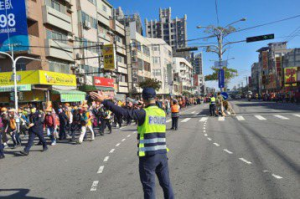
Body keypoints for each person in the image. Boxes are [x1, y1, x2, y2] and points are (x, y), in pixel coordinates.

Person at [90, 88, 174, 199]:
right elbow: (152, 106)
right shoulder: (161, 112)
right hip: (162, 154)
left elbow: (124, 113)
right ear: (155, 98)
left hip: (148, 156)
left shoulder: (144, 113)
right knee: (166, 184)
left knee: (149, 187)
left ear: (143, 99)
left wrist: (105, 101)